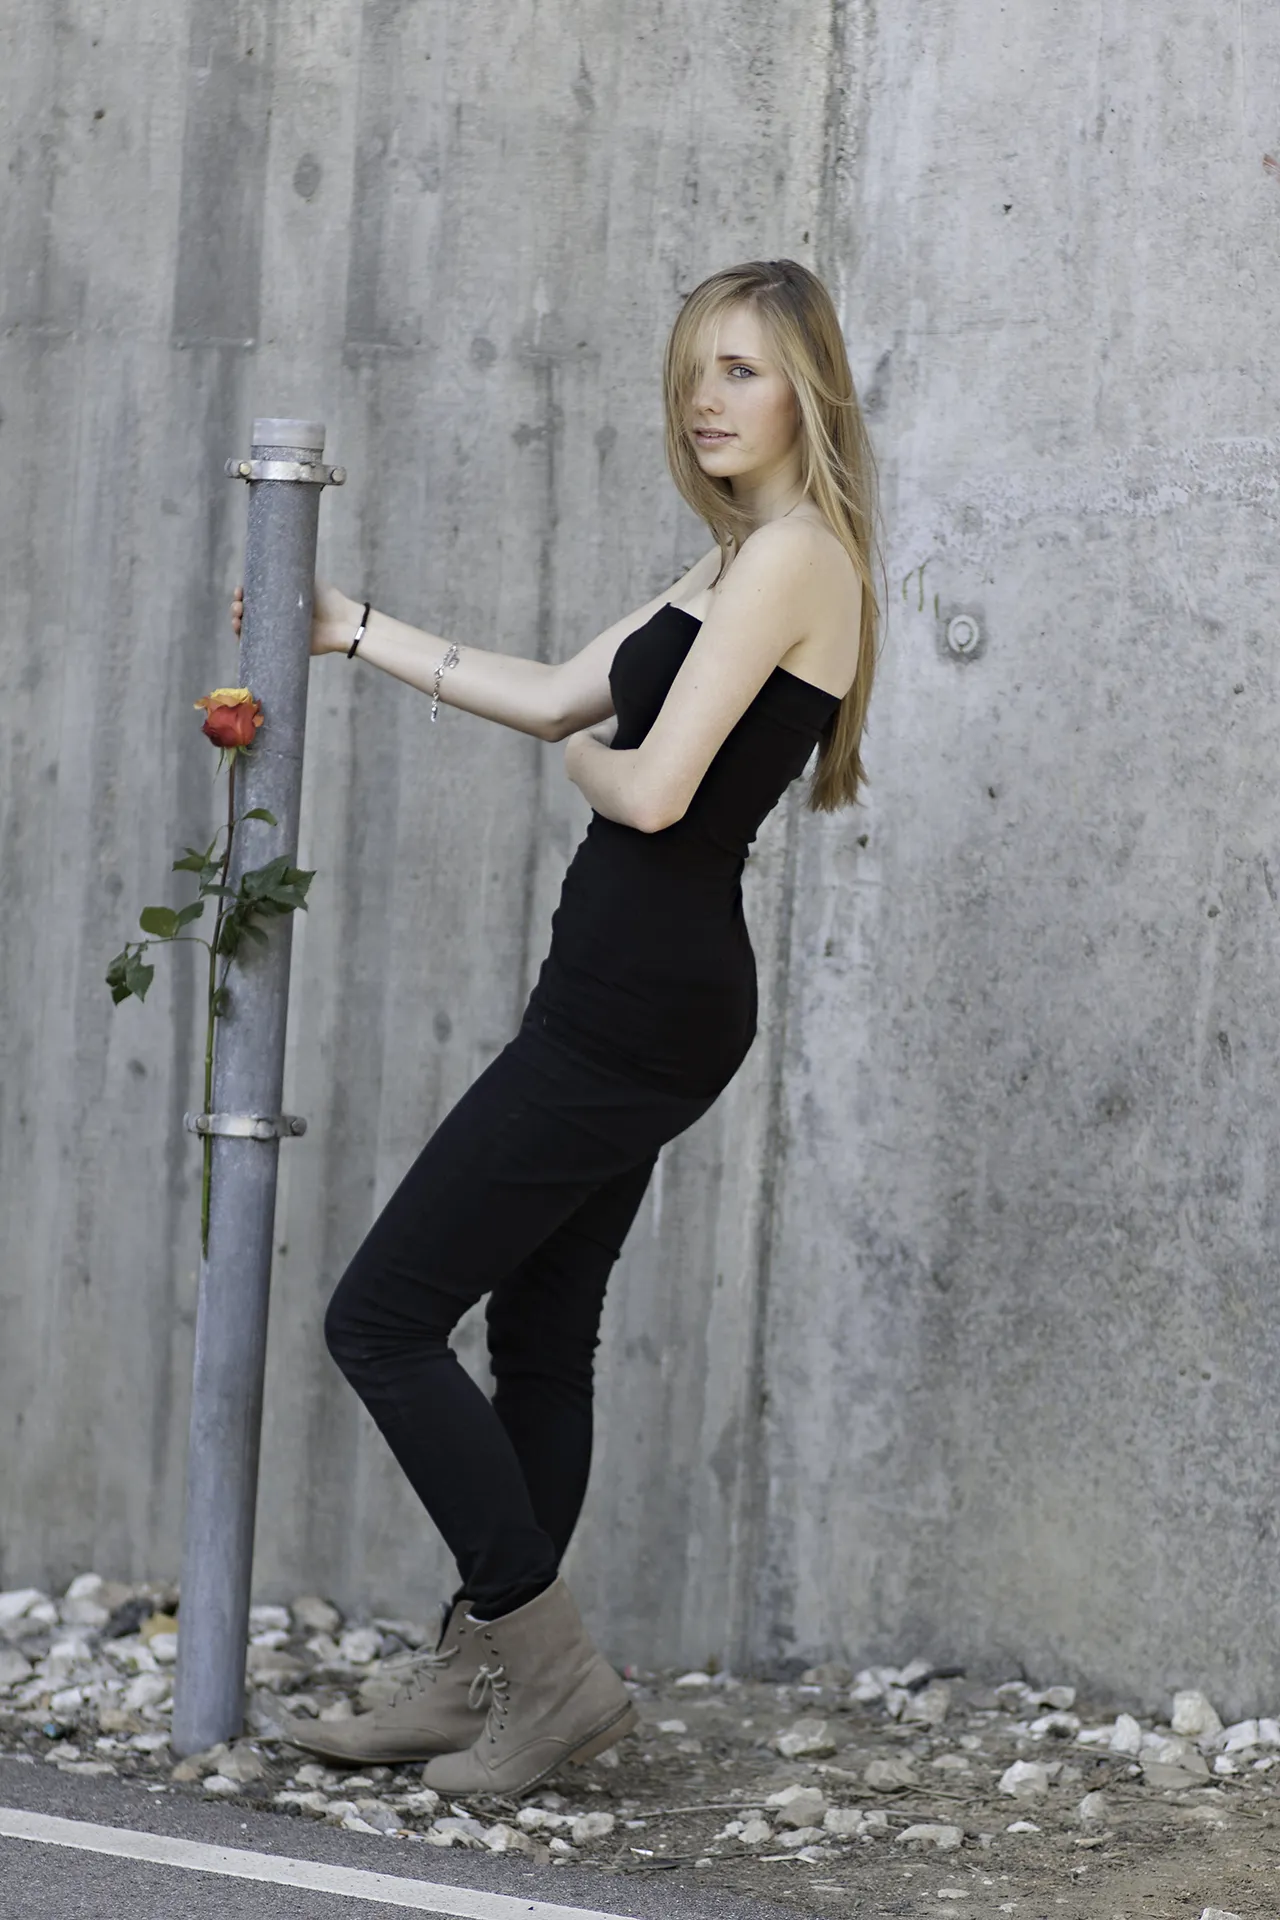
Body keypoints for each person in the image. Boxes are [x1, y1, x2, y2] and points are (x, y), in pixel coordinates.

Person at [231, 258, 881, 1796]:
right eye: (693, 371)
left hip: (639, 1003)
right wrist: (351, 625)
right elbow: (552, 695)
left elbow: (643, 784)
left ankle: (546, 1670)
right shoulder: (729, 558)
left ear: (809, 390)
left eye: (739, 370)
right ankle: (480, 1680)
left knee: (380, 1317)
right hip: (625, 993)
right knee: (539, 1333)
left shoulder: (798, 556)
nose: (703, 398)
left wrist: (600, 771)